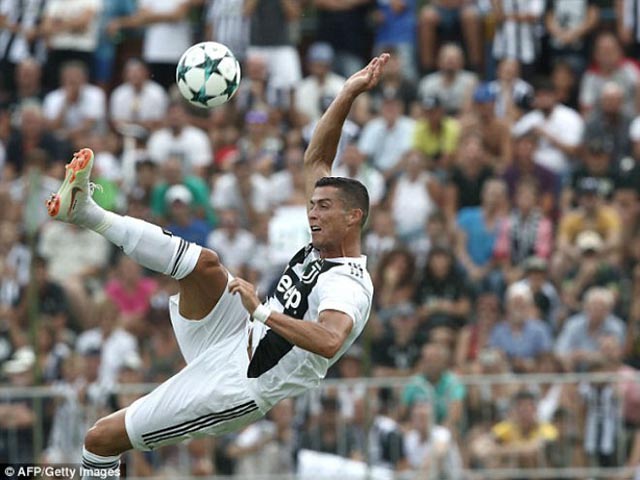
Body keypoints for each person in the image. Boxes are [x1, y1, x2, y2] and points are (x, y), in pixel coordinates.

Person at [45, 54, 387, 479]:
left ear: (353, 217)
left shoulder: (347, 284)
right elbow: (316, 159)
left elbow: (331, 340)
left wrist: (262, 311)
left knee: (99, 439)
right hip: (235, 332)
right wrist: (347, 92)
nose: (312, 214)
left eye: (324, 208)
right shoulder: (323, 245)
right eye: (312, 205)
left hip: (238, 385)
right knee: (204, 264)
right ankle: (85, 212)